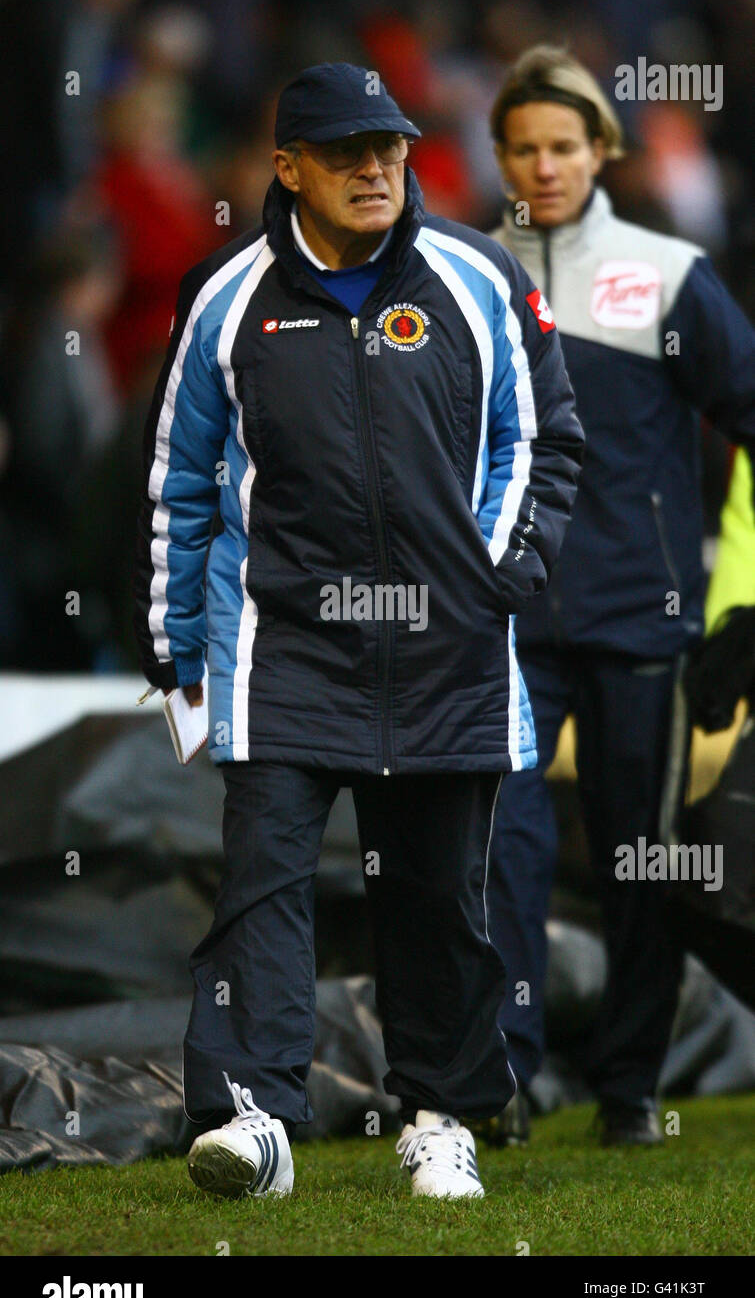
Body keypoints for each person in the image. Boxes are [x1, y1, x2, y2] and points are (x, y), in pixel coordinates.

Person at [133, 62, 583, 1198]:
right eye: (346, 153)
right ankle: (258, 1120)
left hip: (449, 651)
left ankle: (439, 1116)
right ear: (286, 169)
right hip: (277, 649)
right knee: (262, 887)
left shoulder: (478, 276)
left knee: (440, 899)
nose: (377, 167)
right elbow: (180, 478)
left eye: (389, 147)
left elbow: (538, 441)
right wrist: (177, 644)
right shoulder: (226, 298)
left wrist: (489, 575)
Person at [486, 46, 755, 1146]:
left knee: (639, 855)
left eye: (562, 145)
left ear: (599, 149)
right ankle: (489, 1081)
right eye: (521, 147)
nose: (542, 166)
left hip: (641, 619)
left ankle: (629, 1089)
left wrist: (738, 600)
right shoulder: (460, 272)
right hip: (502, 619)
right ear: (497, 153)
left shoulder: (670, 273)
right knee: (495, 844)